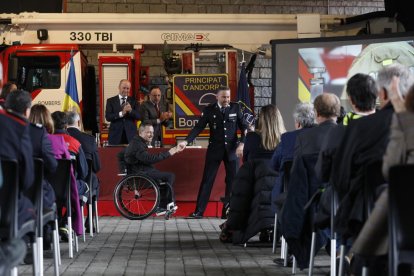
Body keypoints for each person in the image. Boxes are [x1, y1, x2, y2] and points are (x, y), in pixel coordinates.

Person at [279, 93, 341, 269]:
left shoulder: (303, 138)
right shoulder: (348, 134)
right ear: (338, 112)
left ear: (316, 112)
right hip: (346, 203)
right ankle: (339, 252)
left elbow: (298, 177)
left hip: (313, 202)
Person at [178, 86, 249, 219]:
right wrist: (186, 141)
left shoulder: (236, 108)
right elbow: (198, 127)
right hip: (215, 150)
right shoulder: (209, 110)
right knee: (207, 180)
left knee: (232, 182)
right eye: (223, 97)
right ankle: (199, 212)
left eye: (228, 97)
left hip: (232, 150)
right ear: (217, 97)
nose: (226, 99)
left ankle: (228, 213)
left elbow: (244, 126)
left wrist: (242, 144)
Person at [124, 124, 182, 214]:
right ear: (140, 133)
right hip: (140, 174)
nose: (151, 134)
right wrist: (169, 153)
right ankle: (163, 206)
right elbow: (149, 159)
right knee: (169, 176)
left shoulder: (138, 142)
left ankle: (165, 205)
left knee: (164, 180)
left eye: (152, 132)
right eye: (148, 132)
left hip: (142, 171)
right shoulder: (137, 145)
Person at [270, 102, 316, 212]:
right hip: (314, 195)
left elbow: (273, 165)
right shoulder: (319, 137)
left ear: (299, 123)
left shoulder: (287, 139)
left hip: (287, 195)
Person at [1, 89, 35, 229]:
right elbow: (27, 180)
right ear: (27, 111)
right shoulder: (20, 131)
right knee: (31, 212)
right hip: (8, 207)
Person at [105, 79, 140, 145]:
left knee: (130, 155)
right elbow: (108, 117)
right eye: (124, 88)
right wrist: (121, 113)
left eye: (128, 88)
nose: (126, 90)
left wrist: (131, 111)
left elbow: (139, 116)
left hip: (130, 136)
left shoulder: (134, 101)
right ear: (119, 87)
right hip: (115, 135)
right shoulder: (110, 101)